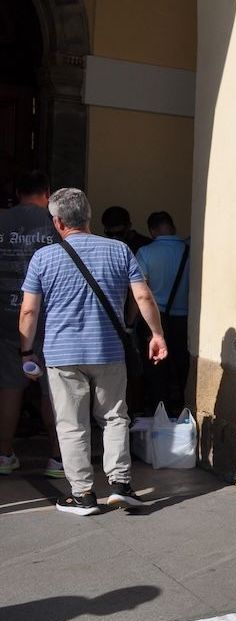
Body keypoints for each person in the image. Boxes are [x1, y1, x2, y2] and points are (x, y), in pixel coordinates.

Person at [18, 188, 168, 514]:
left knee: (72, 424)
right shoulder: (120, 250)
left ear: (57, 221)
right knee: (115, 417)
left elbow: (29, 311)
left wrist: (26, 352)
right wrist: (156, 334)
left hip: (62, 354)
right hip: (109, 350)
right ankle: (120, 484)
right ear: (88, 216)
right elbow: (142, 297)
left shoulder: (43, 258)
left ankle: (83, 494)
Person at [0, 171, 61, 477]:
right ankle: (57, 457)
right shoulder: (55, 224)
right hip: (50, 320)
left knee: (10, 388)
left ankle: (5, 453)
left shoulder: (2, 221)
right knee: (54, 390)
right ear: (46, 193)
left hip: (6, 318)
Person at [135, 211, 190, 414]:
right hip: (185, 319)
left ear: (152, 231)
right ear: (172, 227)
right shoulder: (190, 250)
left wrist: (131, 322)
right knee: (182, 367)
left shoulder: (145, 253)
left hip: (155, 320)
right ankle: (183, 410)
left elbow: (140, 293)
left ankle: (160, 412)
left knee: (156, 371)